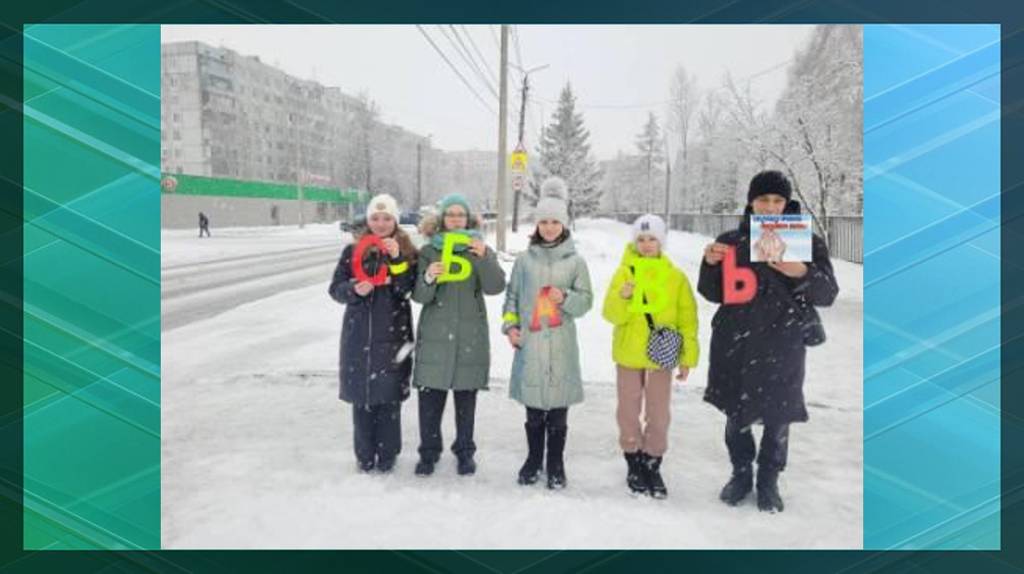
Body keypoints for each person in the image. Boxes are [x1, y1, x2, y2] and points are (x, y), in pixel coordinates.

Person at [698, 170, 839, 512]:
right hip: (736, 341)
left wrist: (800, 272)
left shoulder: (805, 242)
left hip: (783, 342)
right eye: (763, 199)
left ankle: (769, 480)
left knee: (778, 416)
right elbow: (711, 291)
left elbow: (828, 293)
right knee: (736, 412)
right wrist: (709, 263)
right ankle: (741, 473)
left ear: (787, 203)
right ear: (750, 202)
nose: (770, 207)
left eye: (778, 200)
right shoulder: (732, 241)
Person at [502, 177, 593, 490]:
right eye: (544, 222)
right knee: (533, 413)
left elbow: (586, 301)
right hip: (531, 345)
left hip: (562, 346)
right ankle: (532, 459)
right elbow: (511, 298)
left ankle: (556, 462)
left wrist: (565, 298)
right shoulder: (524, 261)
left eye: (555, 221)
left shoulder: (576, 262)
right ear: (537, 224)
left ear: (564, 224)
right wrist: (511, 326)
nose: (550, 227)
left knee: (557, 414)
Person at [601, 214, 698, 499]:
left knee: (658, 413)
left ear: (661, 242)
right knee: (628, 411)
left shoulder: (675, 276)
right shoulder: (624, 273)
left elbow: (687, 318)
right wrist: (624, 296)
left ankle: (653, 462)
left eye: (652, 239)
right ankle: (633, 460)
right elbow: (610, 315)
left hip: (660, 354)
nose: (646, 245)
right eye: (641, 239)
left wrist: (687, 357)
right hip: (628, 353)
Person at [411, 193, 506, 476]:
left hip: (469, 335)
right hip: (435, 335)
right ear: (442, 219)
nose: (455, 219)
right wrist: (428, 277)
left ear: (468, 219)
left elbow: (495, 287)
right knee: (430, 398)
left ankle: (465, 451)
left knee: (466, 400)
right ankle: (428, 452)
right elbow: (419, 296)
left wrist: (485, 257)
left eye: (460, 215)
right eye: (450, 214)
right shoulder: (429, 252)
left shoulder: (477, 249)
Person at [328, 194, 418, 473]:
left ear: (396, 221)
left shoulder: (406, 251)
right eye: (375, 218)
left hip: (394, 335)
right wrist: (353, 289)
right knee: (362, 400)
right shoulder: (352, 251)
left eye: (387, 218)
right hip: (358, 338)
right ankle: (364, 454)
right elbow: (335, 289)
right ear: (368, 220)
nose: (381, 223)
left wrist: (397, 259)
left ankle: (388, 453)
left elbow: (407, 289)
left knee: (389, 399)